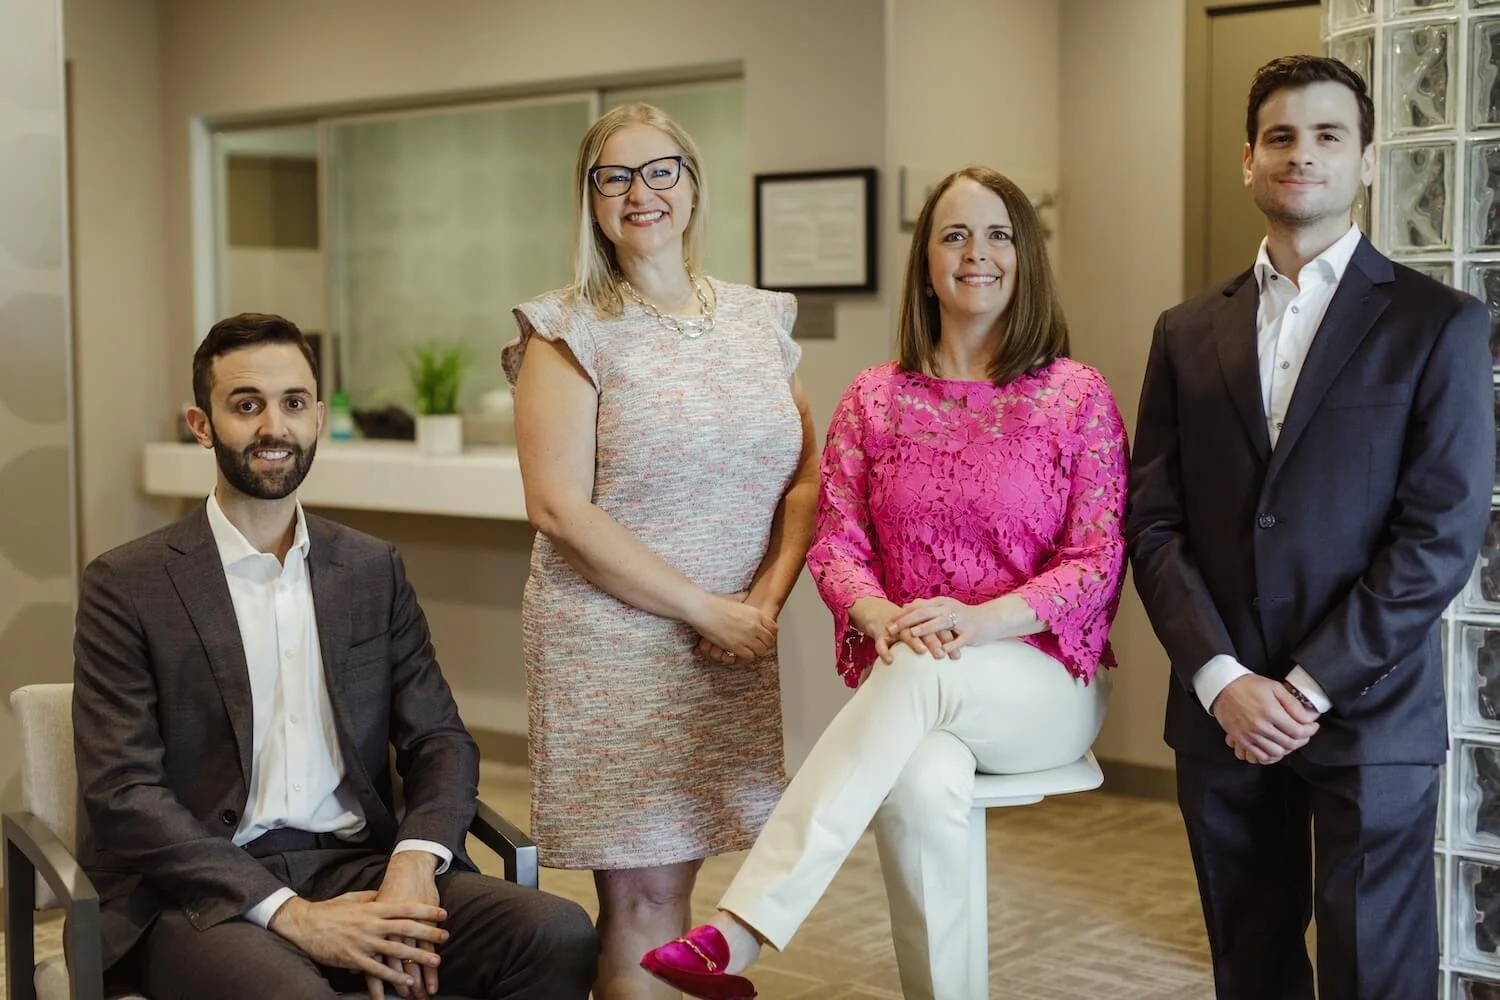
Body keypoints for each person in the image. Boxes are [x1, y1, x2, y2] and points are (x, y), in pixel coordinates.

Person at [641, 165, 1128, 1000]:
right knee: (922, 779)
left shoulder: (1074, 396)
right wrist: (875, 611)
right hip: (918, 670)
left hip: (1041, 679)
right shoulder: (875, 398)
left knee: (920, 676)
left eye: (999, 234)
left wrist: (979, 623)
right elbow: (835, 543)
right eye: (955, 234)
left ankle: (743, 928)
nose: (978, 253)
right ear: (926, 261)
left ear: (1026, 257)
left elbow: (1095, 561)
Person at [73, 313, 597, 1000]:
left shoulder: (370, 569)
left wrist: (412, 866)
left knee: (556, 933)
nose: (273, 428)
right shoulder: (129, 584)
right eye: (246, 404)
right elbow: (123, 793)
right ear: (201, 425)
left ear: (318, 417)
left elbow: (439, 739)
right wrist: (292, 915)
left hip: (361, 864)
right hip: (204, 895)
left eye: (293, 403)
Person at [1127, 55, 1494, 1000]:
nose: (1303, 155)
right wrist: (1223, 680)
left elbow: (1439, 535)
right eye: (1281, 136)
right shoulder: (1182, 331)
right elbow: (1155, 522)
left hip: (1372, 709)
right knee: (1250, 968)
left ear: (1367, 161)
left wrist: (1306, 683)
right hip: (1224, 712)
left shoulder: (1438, 324)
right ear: (1248, 160)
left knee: (1377, 975)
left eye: (1329, 136)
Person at [503, 103, 818, 999]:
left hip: (731, 638)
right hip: (613, 643)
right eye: (615, 177)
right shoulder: (565, 328)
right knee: (642, 892)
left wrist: (762, 601)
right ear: (590, 200)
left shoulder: (762, 319)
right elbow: (557, 508)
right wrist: (703, 607)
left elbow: (805, 477)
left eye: (660, 171)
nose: (641, 193)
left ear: (692, 184)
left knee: (679, 886)